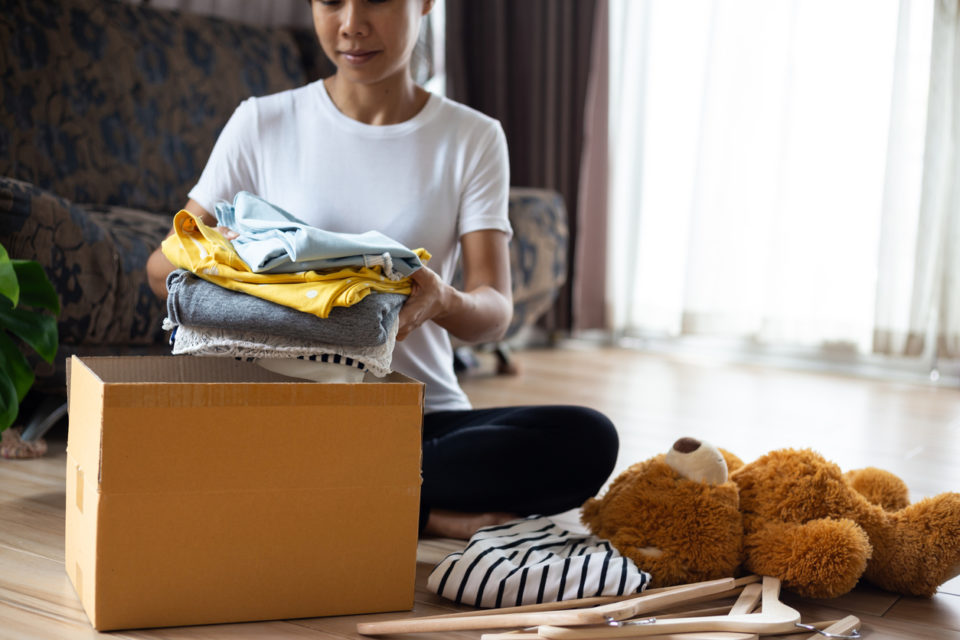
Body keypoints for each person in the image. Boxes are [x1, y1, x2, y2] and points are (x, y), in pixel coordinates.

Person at [146, 0, 618, 539]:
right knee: (239, 440)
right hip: (290, 416)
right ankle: (419, 513)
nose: (350, 24)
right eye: (330, 3)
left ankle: (323, 495)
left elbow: (495, 313)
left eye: (375, 0)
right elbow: (162, 268)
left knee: (588, 437)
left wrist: (445, 300)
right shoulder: (262, 121)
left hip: (417, 419)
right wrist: (232, 258)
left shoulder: (472, 137)